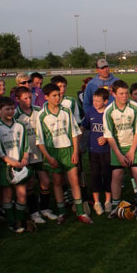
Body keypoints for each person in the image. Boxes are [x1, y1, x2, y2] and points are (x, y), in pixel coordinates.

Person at [35, 83, 93, 225]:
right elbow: (40, 140)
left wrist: (75, 151)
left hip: (68, 150)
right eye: (54, 95)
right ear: (46, 97)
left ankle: (80, 212)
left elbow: (74, 133)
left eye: (59, 95)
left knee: (74, 181)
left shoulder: (66, 111)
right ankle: (62, 212)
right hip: (53, 152)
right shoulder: (42, 115)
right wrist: (48, 157)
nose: (57, 98)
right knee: (58, 182)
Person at [103, 80, 137, 221]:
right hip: (117, 147)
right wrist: (119, 154)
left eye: (126, 93)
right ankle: (116, 205)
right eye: (121, 93)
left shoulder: (134, 107)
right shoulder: (109, 111)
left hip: (134, 145)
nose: (125, 96)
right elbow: (109, 135)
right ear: (113, 94)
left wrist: (131, 151)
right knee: (117, 175)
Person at [14, 86, 57, 224]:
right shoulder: (15, 114)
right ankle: (33, 212)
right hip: (25, 156)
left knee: (45, 182)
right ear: (17, 99)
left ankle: (44, 209)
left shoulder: (39, 111)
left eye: (30, 97)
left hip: (40, 153)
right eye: (25, 98)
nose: (28, 100)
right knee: (29, 184)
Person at [0, 96, 35, 233]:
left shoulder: (20, 125)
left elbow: (25, 145)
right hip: (5, 166)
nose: (10, 112)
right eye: (7, 109)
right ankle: (11, 222)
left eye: (12, 108)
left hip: (20, 165)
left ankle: (19, 220)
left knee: (22, 194)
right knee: (7, 194)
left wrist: (24, 158)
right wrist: (9, 160)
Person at [81, 88, 112, 215]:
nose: (95, 103)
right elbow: (84, 127)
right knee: (95, 175)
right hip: (93, 150)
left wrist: (106, 138)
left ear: (105, 101)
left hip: (107, 150)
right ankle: (97, 202)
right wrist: (78, 141)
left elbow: (114, 131)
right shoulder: (90, 112)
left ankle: (108, 201)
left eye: (98, 101)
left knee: (107, 175)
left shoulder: (109, 113)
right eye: (93, 100)